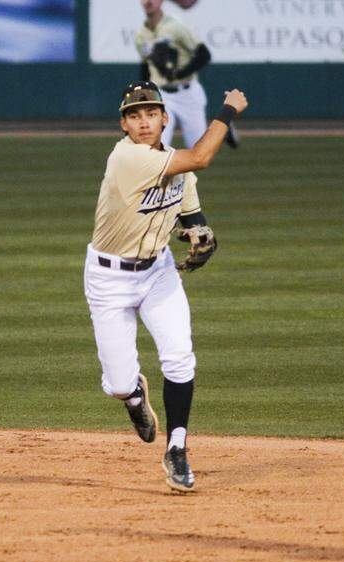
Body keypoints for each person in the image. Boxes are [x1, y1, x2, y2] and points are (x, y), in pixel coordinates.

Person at [84, 80, 247, 492]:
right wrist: (227, 111)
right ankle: (134, 397)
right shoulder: (127, 159)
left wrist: (200, 237)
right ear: (123, 124)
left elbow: (191, 214)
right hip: (109, 278)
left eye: (151, 114)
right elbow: (203, 157)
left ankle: (177, 448)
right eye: (135, 116)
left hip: (157, 273)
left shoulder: (173, 164)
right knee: (119, 383)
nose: (144, 123)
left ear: (163, 118)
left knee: (179, 359)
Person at [135, 0, 239, 149]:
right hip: (162, 96)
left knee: (199, 150)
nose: (149, 1)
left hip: (187, 93)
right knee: (155, 147)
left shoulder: (175, 26)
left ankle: (222, 130)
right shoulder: (141, 35)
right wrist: (142, 96)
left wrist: (180, 73)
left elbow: (204, 54)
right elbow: (145, 67)